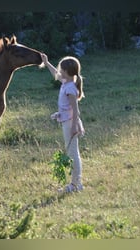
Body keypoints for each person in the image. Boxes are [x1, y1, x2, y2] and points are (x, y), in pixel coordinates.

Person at [41, 53, 85, 193]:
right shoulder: (67, 82)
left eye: (61, 69)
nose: (59, 71)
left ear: (67, 72)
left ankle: (75, 184)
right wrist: (47, 63)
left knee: (73, 153)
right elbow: (55, 74)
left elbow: (75, 109)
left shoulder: (71, 88)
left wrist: (74, 127)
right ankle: (76, 183)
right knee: (71, 151)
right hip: (67, 121)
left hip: (70, 123)